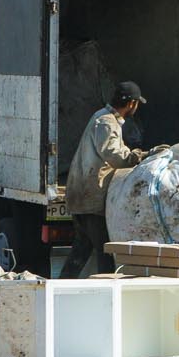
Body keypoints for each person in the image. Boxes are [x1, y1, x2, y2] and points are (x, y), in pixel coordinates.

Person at [64, 80, 147, 278]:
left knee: (82, 249)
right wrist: (140, 156)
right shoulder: (107, 122)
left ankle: (61, 286)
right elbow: (115, 156)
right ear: (132, 103)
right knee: (106, 250)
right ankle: (107, 291)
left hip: (83, 195)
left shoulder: (102, 117)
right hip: (92, 196)